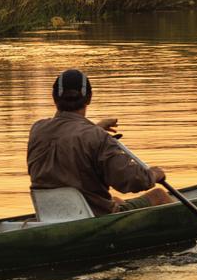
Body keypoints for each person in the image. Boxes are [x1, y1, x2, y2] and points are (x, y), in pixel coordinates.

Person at [26, 69, 173, 215]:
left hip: (51, 215)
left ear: (54, 97)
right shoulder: (96, 137)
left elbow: (70, 139)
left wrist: (94, 129)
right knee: (159, 195)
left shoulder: (37, 130)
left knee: (115, 200)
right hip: (93, 217)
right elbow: (129, 180)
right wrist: (153, 175)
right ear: (89, 98)